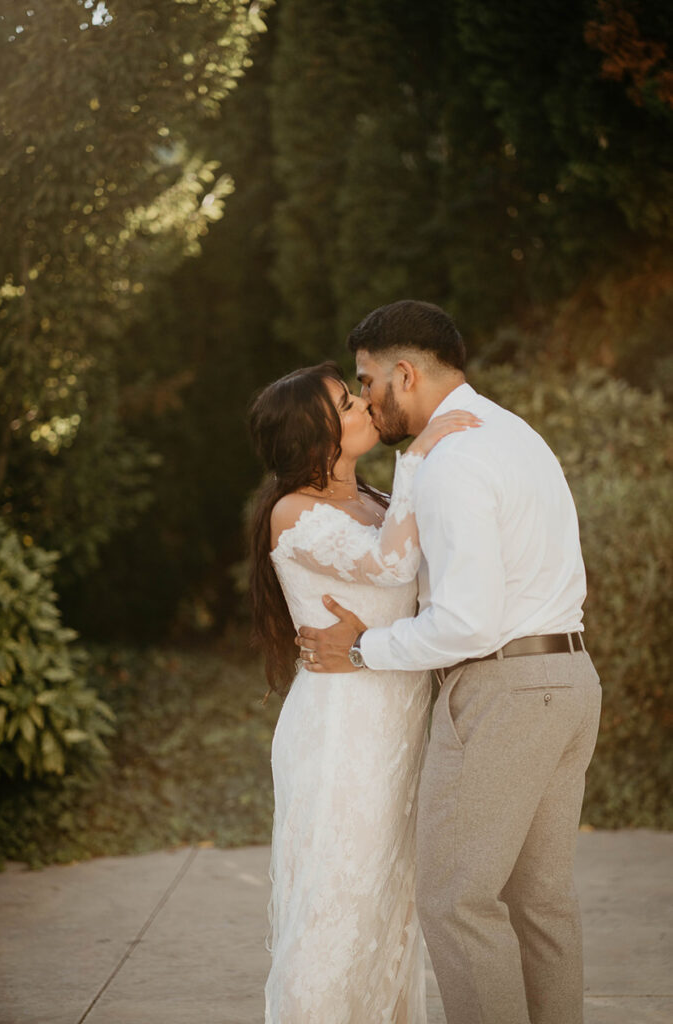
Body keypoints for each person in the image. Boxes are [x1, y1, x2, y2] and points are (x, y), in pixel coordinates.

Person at [298, 301, 602, 1024]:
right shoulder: (507, 433)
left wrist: (364, 648)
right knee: (541, 905)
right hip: (567, 680)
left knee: (454, 900)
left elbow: (465, 621)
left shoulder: (452, 459)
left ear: (404, 374)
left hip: (502, 692)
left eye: (368, 380)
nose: (366, 397)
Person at [248, 360, 481, 1024]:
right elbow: (392, 563)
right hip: (341, 730)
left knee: (388, 906)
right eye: (345, 404)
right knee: (335, 904)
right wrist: (420, 458)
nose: (363, 407)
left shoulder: (376, 502)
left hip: (399, 723)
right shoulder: (292, 512)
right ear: (313, 435)